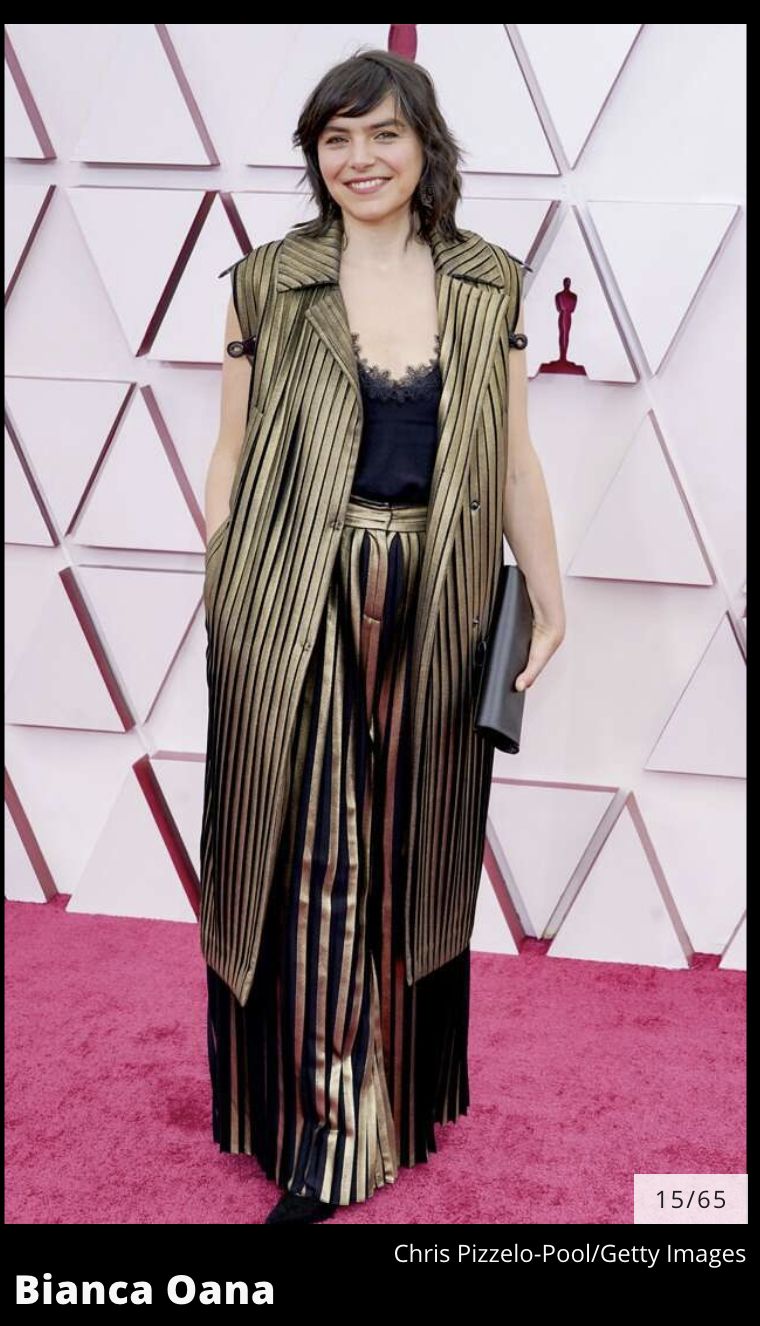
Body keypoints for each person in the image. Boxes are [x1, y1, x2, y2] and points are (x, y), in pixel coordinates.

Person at [200, 48, 565, 1225]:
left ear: (425, 147)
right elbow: (230, 452)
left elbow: (511, 457)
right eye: (335, 139)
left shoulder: (489, 282)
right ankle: (321, 1136)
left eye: (383, 135)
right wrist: (227, 590)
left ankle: (392, 1100)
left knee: (413, 852)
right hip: (291, 592)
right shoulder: (268, 281)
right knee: (313, 858)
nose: (359, 159)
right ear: (316, 156)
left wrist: (549, 594)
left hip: (441, 592)